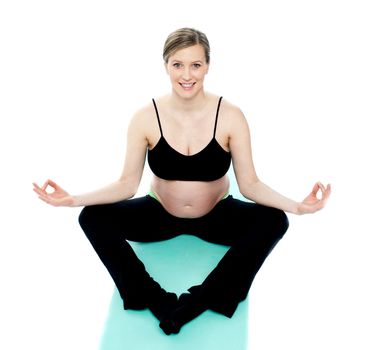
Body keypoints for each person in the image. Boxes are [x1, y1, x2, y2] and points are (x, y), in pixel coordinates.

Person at [33, 27, 331, 335]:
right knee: (92, 217)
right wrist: (74, 199)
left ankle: (199, 300)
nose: (187, 74)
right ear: (166, 66)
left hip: (216, 216)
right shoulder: (145, 117)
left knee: (275, 221)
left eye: (196, 65)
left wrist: (298, 206)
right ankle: (154, 298)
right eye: (178, 64)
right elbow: (126, 185)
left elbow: (250, 185)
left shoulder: (230, 116)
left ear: (207, 66)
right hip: (159, 215)